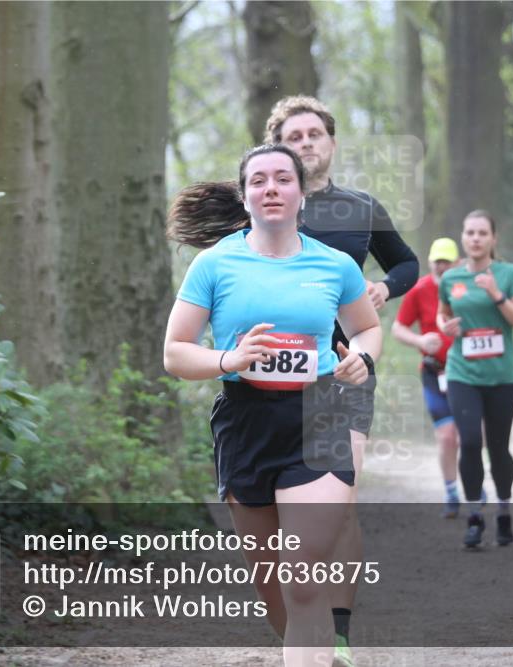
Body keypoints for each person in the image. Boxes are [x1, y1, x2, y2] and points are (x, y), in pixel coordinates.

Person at [163, 144, 382, 667]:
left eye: (283, 179)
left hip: (320, 416)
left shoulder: (334, 265)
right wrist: (229, 359)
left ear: (301, 193)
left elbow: (367, 328)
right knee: (275, 587)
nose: (272, 188)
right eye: (259, 180)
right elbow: (175, 352)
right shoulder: (214, 264)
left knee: (304, 577)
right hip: (246, 423)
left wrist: (362, 360)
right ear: (245, 196)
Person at [265, 95, 418, 664]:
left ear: (331, 144)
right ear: (280, 146)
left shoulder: (359, 207)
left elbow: (406, 263)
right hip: (272, 375)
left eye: (315, 135)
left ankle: (338, 634)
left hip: (345, 371)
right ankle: (300, 617)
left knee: (338, 503)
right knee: (284, 509)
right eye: (294, 136)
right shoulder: (263, 202)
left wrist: (381, 289)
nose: (306, 143)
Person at [437, 210, 513, 547]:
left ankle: (503, 509)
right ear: (463, 237)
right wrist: (442, 325)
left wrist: (496, 294)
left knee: (498, 448)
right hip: (462, 372)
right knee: (470, 443)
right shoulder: (450, 278)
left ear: (493, 239)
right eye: (470, 232)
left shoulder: (509, 274)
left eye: (482, 233)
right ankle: (475, 515)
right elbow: (444, 313)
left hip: (502, 376)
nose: (475, 238)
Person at [391, 237, 460, 517]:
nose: (442, 266)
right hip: (434, 372)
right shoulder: (419, 290)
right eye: (437, 261)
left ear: (456, 263)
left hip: (467, 374)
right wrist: (420, 341)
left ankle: (474, 484)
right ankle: (452, 491)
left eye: (447, 261)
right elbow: (398, 328)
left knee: (469, 436)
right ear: (430, 262)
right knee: (446, 436)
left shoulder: (466, 287)